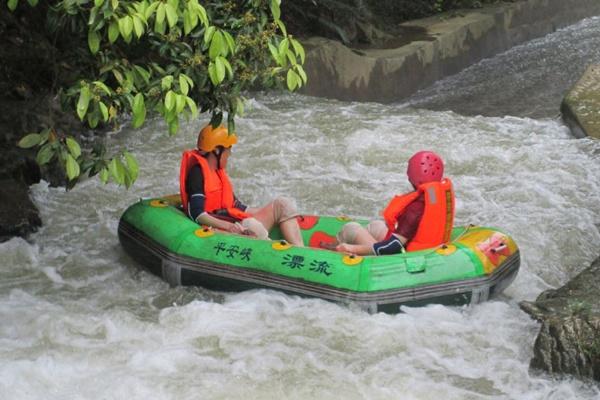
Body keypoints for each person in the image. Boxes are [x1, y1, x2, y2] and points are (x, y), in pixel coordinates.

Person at [179, 124, 304, 246]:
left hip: (234, 223)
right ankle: (280, 256)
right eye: (228, 150)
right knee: (251, 225)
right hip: (215, 231)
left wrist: (266, 212)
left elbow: (236, 206)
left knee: (282, 204)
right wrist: (229, 226)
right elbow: (196, 214)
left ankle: (301, 252)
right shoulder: (197, 173)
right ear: (216, 150)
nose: (229, 154)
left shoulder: (218, 172)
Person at [334, 150, 455, 255]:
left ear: (411, 178)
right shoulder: (436, 196)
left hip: (402, 256)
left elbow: (393, 247)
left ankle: (337, 252)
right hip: (427, 250)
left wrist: (353, 249)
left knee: (350, 228)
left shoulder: (415, 209)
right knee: (375, 226)